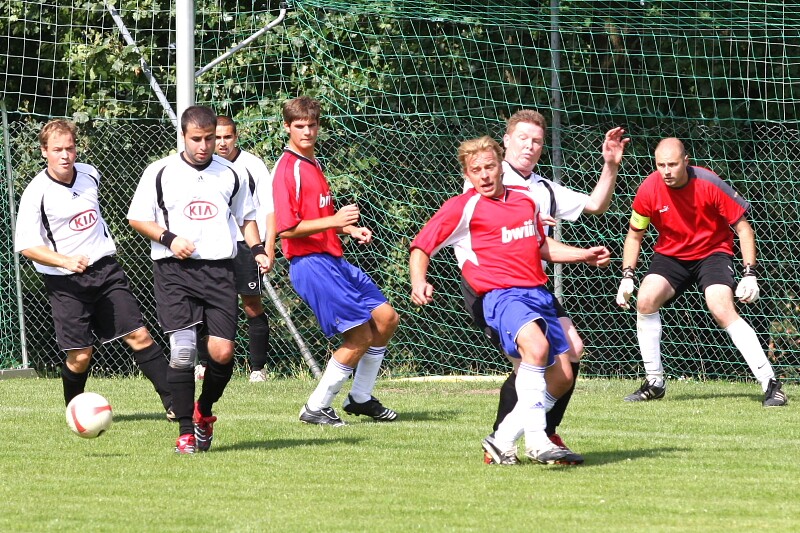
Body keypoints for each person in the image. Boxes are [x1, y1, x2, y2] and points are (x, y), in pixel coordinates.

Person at [410, 136, 611, 465]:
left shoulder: (525, 201)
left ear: (501, 167)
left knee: (562, 376)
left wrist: (582, 255)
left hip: (538, 293)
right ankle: (537, 441)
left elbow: (540, 246)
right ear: (467, 174)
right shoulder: (463, 207)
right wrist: (419, 280)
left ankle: (501, 439)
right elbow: (422, 245)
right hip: (501, 296)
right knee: (537, 348)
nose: (484, 175)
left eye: (489, 167)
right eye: (476, 170)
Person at [462, 110, 629, 464]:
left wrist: (610, 165)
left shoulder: (543, 188)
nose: (530, 146)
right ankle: (510, 439)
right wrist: (530, 220)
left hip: (532, 287)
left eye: (537, 141)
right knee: (533, 360)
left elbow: (595, 205)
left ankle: (534, 433)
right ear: (506, 140)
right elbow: (491, 220)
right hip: (492, 288)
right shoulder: (488, 175)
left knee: (572, 351)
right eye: (523, 138)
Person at [127, 106, 270, 454]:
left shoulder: (231, 173)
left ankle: (203, 413)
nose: (204, 146)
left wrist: (258, 249)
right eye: (196, 139)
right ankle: (186, 433)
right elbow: (137, 218)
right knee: (183, 349)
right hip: (173, 271)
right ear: (183, 136)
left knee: (222, 352)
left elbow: (246, 217)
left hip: (220, 271)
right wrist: (169, 239)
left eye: (209, 138)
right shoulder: (159, 172)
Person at [14, 119, 172, 417]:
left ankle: (176, 405)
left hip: (106, 271)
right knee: (80, 356)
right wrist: (65, 261)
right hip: (66, 283)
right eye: (57, 150)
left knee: (139, 335)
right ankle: (75, 411)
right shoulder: (36, 193)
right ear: (44, 151)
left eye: (70, 148)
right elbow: (26, 246)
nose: (65, 155)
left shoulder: (90, 174)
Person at [616, 137, 787, 407]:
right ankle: (654, 383)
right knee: (645, 300)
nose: (666, 171)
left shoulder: (709, 183)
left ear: (686, 161)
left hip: (713, 252)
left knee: (720, 306)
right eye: (661, 165)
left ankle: (771, 385)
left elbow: (744, 229)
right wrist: (627, 276)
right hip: (671, 255)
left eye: (673, 164)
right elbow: (634, 236)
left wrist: (750, 273)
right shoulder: (648, 188)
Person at [272, 96, 399, 426]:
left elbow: (318, 219)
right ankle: (316, 407)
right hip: (311, 264)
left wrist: (349, 229)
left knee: (386, 319)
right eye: (299, 126)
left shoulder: (312, 162)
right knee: (359, 337)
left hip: (333, 260)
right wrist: (335, 221)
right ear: (287, 127)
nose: (307, 132)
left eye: (312, 125)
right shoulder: (288, 169)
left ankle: (360, 397)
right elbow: (286, 229)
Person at [212, 115, 276, 383]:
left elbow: (270, 209)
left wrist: (268, 247)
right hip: (213, 245)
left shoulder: (253, 165)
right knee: (209, 305)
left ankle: (257, 369)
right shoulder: (205, 167)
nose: (222, 142)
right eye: (217, 137)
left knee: (251, 304)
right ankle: (204, 365)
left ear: (236, 137)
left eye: (227, 136)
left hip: (248, 245)